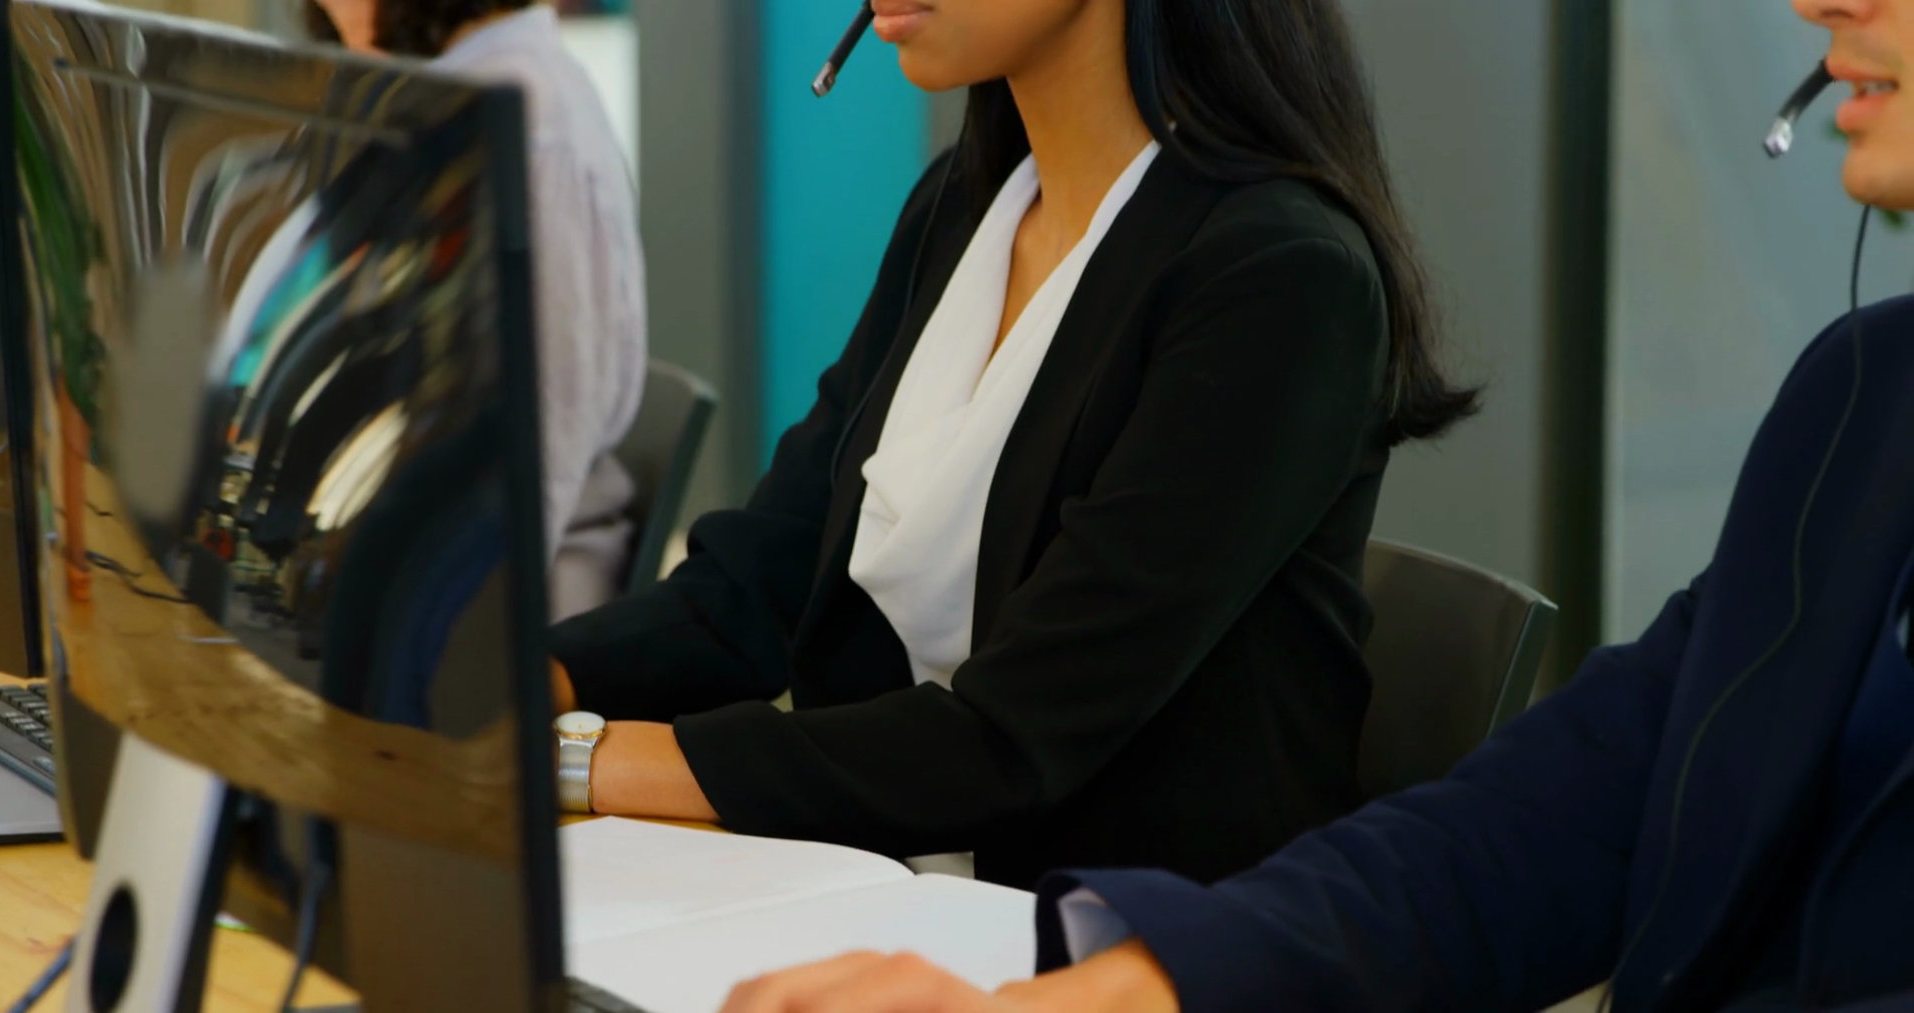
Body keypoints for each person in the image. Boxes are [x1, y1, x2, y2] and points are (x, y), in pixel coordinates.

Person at [710, 0, 1914, 1007]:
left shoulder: (1274, 265)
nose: (1819, 3)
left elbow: (1008, 735)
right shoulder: (1859, 406)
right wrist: (1109, 988)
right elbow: (1560, 815)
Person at [544, 0, 1476, 890]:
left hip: (1122, 937)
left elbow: (1014, 737)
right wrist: (523, 686)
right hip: (887, 894)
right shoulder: (963, 207)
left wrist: (577, 761)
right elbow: (763, 579)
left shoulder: (1280, 274)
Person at [305, 0, 648, 622]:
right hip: (412, 551)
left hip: (507, 606)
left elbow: (532, 473)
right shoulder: (438, 97)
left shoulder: (531, 127)